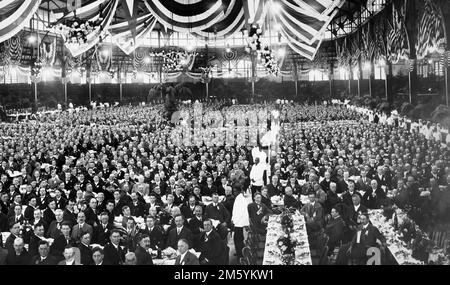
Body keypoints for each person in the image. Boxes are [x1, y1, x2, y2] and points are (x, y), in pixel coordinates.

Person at [231, 188, 250, 258]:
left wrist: (234, 221)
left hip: (239, 222)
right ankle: (240, 251)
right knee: (240, 237)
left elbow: (239, 212)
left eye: (235, 191)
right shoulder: (239, 198)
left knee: (237, 238)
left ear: (238, 191)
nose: (234, 192)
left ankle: (240, 253)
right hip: (239, 221)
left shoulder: (240, 199)